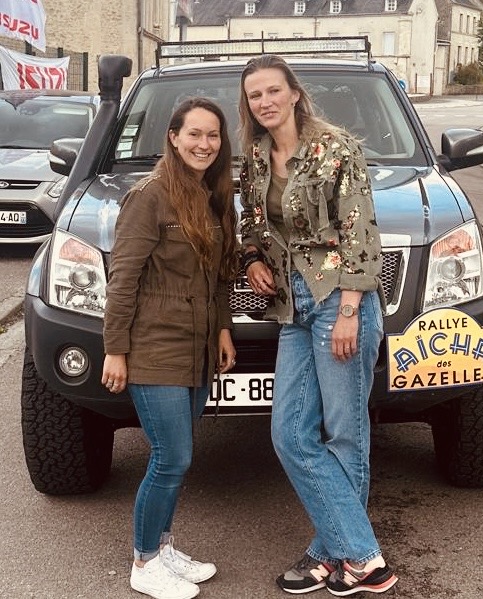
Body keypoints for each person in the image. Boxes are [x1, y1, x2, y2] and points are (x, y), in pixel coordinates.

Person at [238, 55, 398, 596]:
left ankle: (335, 557)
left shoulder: (336, 148)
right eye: (255, 95)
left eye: (273, 90)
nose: (265, 101)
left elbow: (361, 233)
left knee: (345, 433)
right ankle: (359, 557)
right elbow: (251, 222)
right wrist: (251, 260)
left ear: (293, 93)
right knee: (288, 434)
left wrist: (350, 311)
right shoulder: (255, 157)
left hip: (338, 299)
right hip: (292, 307)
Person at [101, 97, 238, 599]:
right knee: (171, 457)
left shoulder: (212, 195)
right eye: (194, 134)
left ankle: (162, 546)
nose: (204, 144)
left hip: (196, 346)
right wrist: (115, 349)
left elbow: (218, 277)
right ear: (174, 138)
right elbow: (123, 279)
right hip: (154, 345)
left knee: (177, 457)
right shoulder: (149, 196)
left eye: (213, 135)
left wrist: (222, 331)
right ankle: (144, 561)